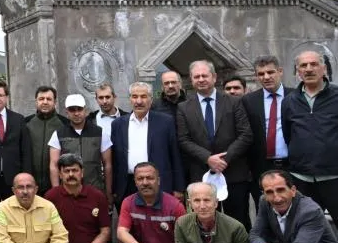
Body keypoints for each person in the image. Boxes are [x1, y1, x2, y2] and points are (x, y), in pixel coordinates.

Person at [176, 60, 253, 227]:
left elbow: (245, 134)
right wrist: (208, 158)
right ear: (191, 79)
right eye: (196, 76)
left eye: (205, 75)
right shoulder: (183, 108)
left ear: (214, 77)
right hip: (202, 175)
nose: (201, 79)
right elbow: (183, 139)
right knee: (205, 223)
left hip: (233, 172)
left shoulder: (234, 102)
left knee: (238, 222)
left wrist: (224, 160)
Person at [281, 50, 338, 221]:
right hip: (302, 178)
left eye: (314, 64)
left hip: (334, 176)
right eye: (303, 65)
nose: (308, 69)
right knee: (305, 226)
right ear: (298, 71)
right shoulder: (289, 101)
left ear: (324, 69)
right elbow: (288, 135)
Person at [110, 82, 183, 206]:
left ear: (151, 99)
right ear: (130, 99)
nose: (139, 101)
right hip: (127, 185)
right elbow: (115, 159)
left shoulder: (165, 121)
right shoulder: (118, 124)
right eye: (134, 96)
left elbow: (175, 154)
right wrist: (114, 189)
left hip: (158, 184)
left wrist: (178, 187)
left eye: (143, 96)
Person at [241, 56, 293, 208]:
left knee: (295, 209)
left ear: (280, 71)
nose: (266, 77)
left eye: (270, 72)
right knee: (265, 209)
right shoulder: (248, 101)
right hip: (262, 166)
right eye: (261, 74)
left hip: (292, 165)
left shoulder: (296, 96)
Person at [47, 93, 112, 203]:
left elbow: (108, 165)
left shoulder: (100, 133)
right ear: (67, 112)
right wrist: (57, 192)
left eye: (79, 109)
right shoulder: (58, 134)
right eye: (72, 110)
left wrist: (108, 192)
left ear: (85, 110)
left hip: (94, 190)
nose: (76, 113)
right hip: (68, 191)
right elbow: (53, 165)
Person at [25, 86, 68, 192]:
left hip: (56, 183)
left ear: (55, 102)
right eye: (41, 99)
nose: (45, 102)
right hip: (31, 184)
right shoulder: (25, 123)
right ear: (36, 101)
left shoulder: (65, 124)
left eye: (49, 99)